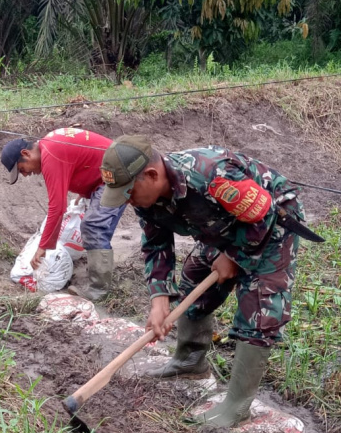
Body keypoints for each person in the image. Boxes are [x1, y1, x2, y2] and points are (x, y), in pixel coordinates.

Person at [99, 135, 308, 427]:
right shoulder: (144, 196)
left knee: (260, 307)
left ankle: (237, 405)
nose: (127, 200)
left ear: (151, 175)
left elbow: (264, 215)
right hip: (227, 223)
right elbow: (156, 244)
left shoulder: (209, 175)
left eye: (129, 192)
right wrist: (158, 300)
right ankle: (189, 361)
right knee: (194, 279)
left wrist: (233, 256)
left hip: (273, 222)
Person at [0, 128, 126, 300]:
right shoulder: (50, 147)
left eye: (22, 169)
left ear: (26, 153)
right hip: (111, 170)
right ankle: (97, 276)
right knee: (93, 226)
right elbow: (85, 159)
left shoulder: (50, 156)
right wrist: (83, 191)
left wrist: (43, 247)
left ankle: (99, 291)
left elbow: (57, 208)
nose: (26, 174)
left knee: (94, 227)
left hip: (118, 172)